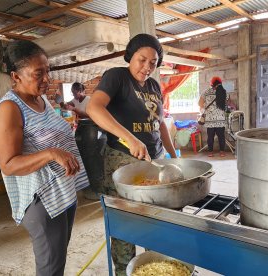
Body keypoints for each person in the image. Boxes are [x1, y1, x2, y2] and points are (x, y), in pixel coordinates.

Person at [0, 40, 89, 276]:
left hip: (62, 193)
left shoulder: (42, 99)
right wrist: (50, 153)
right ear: (16, 76)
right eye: (39, 73)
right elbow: (8, 164)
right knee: (50, 266)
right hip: (41, 200)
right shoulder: (10, 107)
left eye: (47, 71)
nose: (47, 79)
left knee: (57, 259)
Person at [86, 33, 177, 276]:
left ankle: (153, 267)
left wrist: (172, 154)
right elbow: (93, 108)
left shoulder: (154, 86)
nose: (147, 67)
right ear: (130, 56)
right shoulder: (117, 77)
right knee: (126, 224)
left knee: (155, 221)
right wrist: (130, 138)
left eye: (153, 62)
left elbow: (161, 124)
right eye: (142, 59)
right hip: (122, 163)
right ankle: (124, 270)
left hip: (154, 161)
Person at [198, 76, 227, 157]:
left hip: (210, 119)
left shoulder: (206, 92)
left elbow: (199, 104)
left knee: (210, 137)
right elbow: (225, 103)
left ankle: (210, 152)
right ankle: (222, 152)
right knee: (221, 136)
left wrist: (207, 107)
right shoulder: (224, 92)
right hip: (220, 119)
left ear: (212, 84)